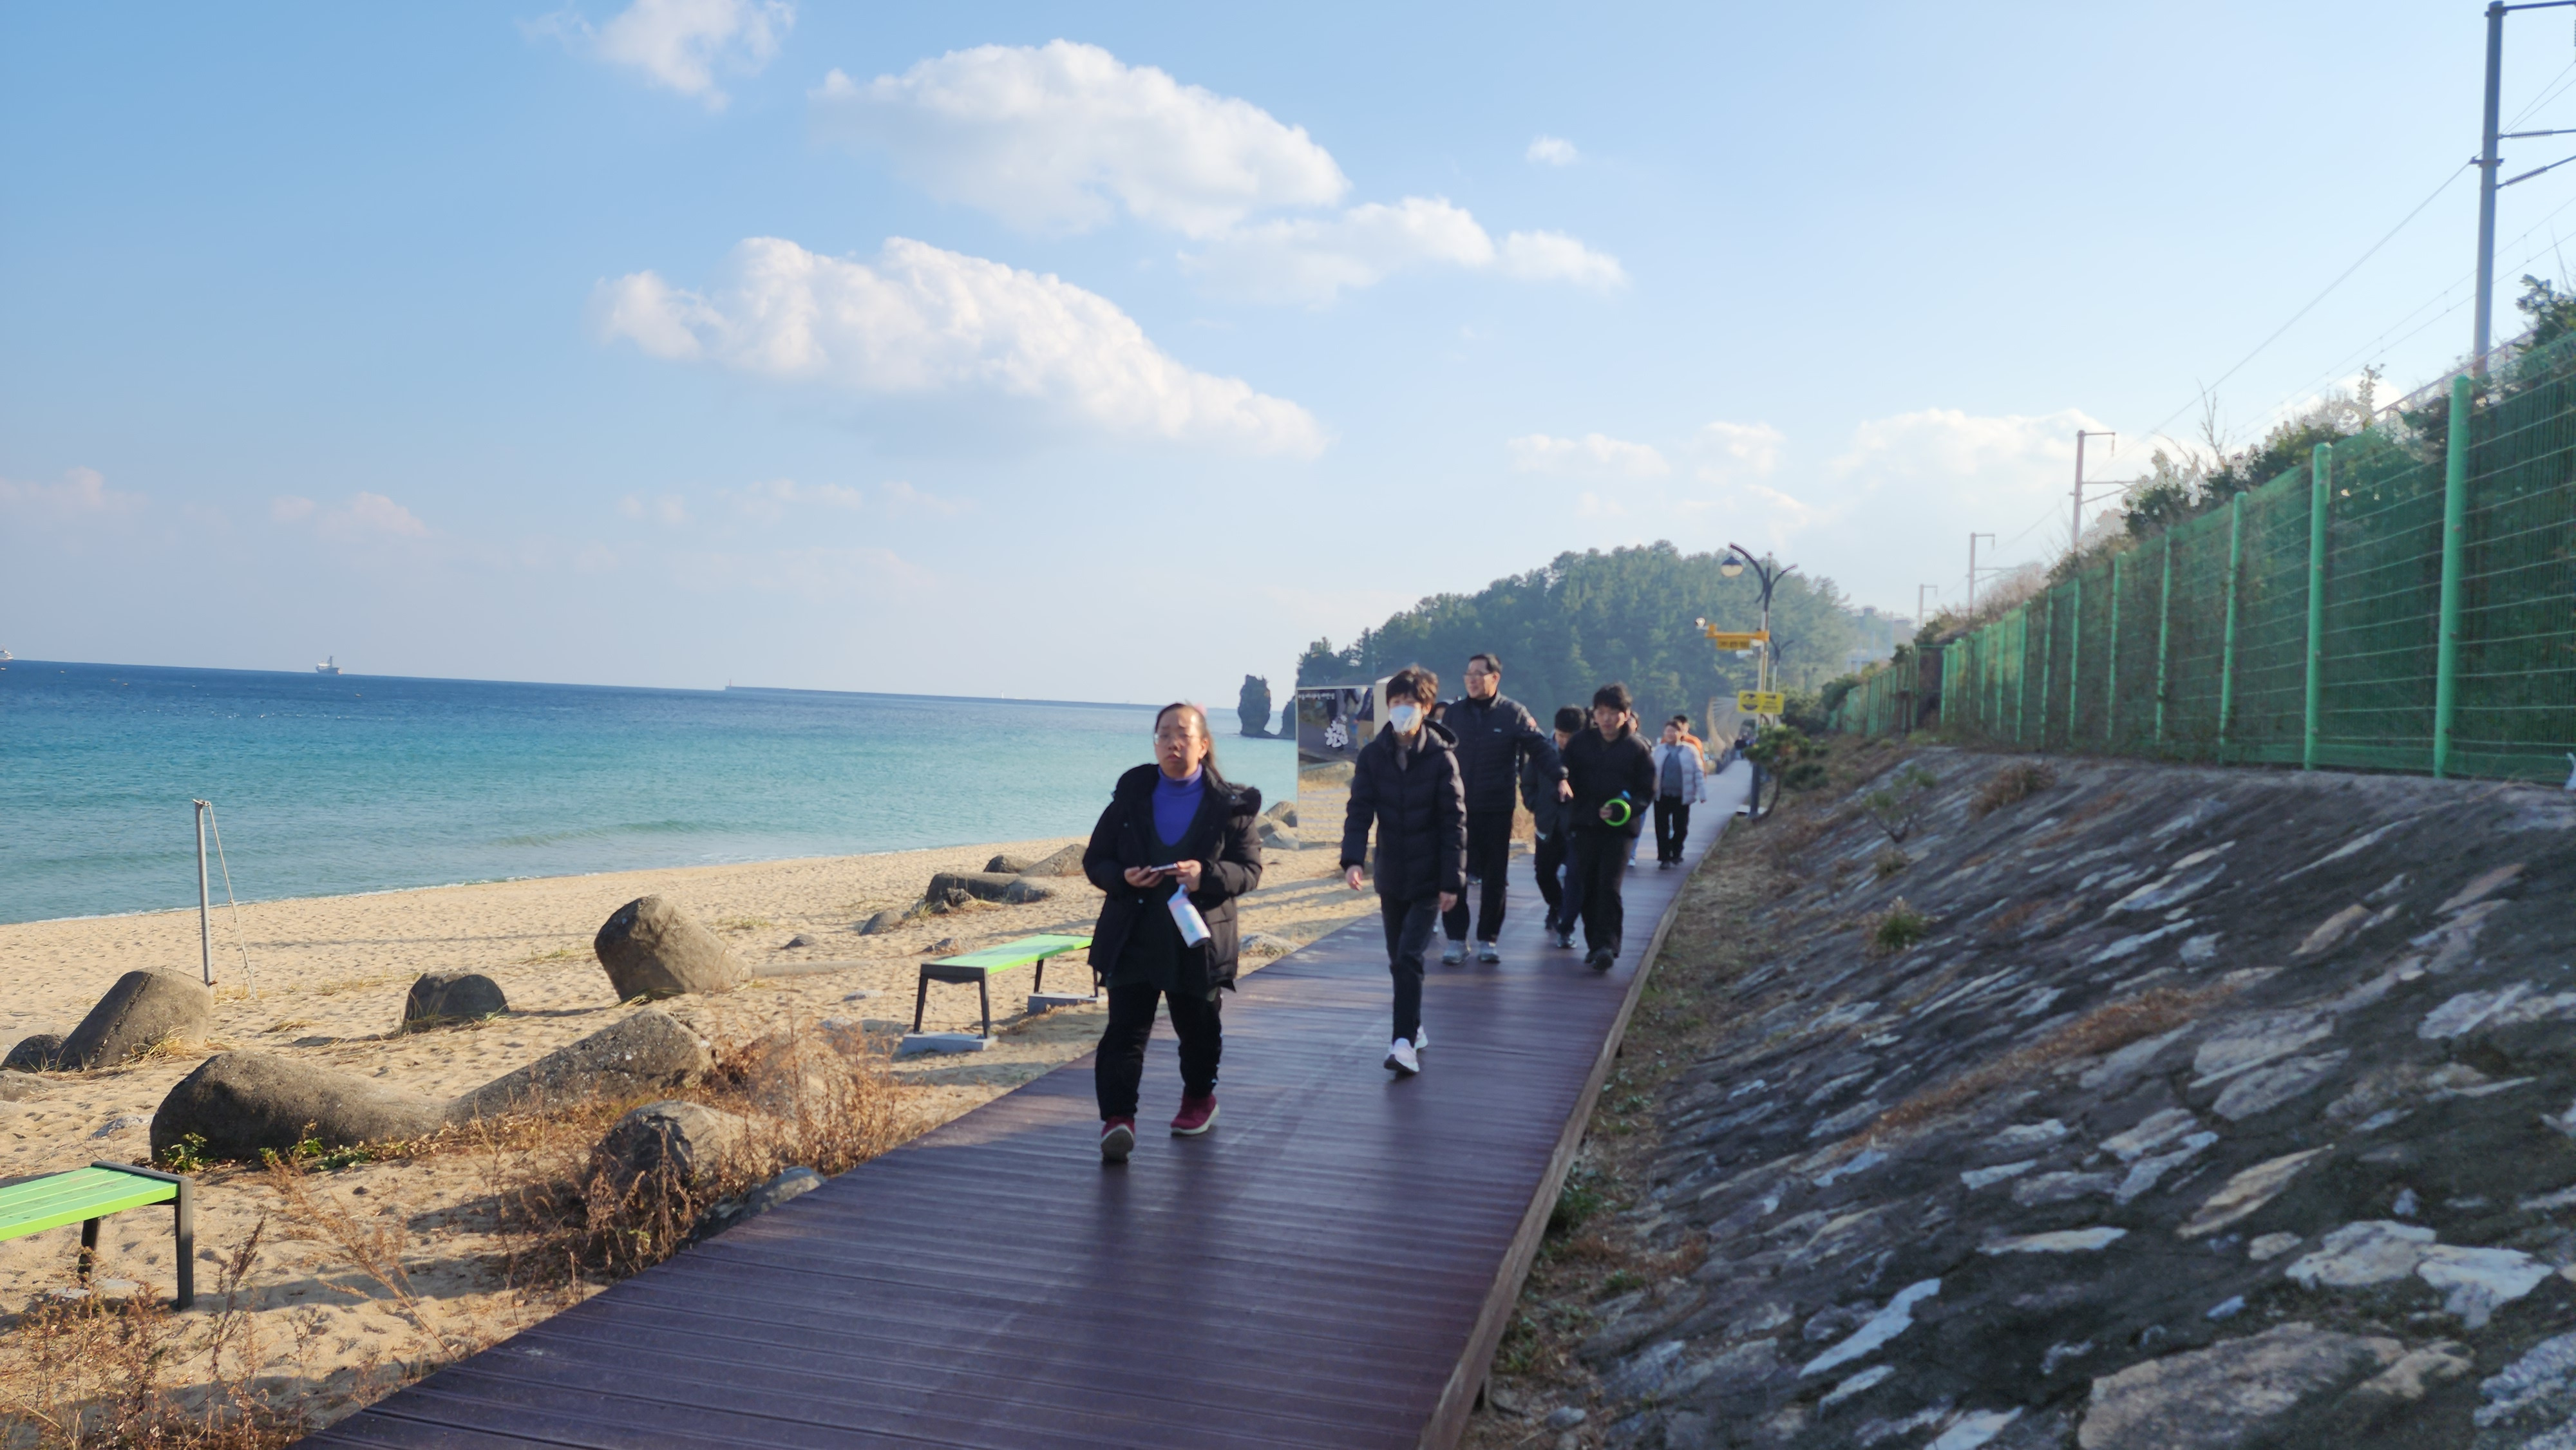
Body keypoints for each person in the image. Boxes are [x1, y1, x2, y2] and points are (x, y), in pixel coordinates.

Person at [1082, 702, 1265, 1163]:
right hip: (1133, 932)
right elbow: (1096, 860)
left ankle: (1199, 1099)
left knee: (1198, 1030)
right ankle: (1118, 1120)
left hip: (1196, 938)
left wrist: (1207, 876)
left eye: (1183, 734)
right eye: (1163, 734)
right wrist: (1122, 877)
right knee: (1125, 1032)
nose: (1172, 743)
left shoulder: (1231, 807)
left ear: (1203, 745)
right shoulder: (1130, 799)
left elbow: (1249, 871)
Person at [1339, 664, 1464, 1078]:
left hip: (1429, 876)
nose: (1402, 709)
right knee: (1398, 959)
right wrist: (1353, 860)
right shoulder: (1373, 756)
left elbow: (1454, 823)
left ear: (1426, 708)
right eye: (1395, 702)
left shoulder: (1442, 759)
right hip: (1391, 872)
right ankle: (1414, 1025)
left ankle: (1402, 1043)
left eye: (1410, 703)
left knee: (1410, 955)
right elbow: (1359, 811)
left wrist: (1452, 881)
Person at [1439, 653, 1567, 963]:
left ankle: (1488, 939)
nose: (1471, 679)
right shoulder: (1454, 714)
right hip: (1457, 808)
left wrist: (1560, 777)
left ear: (1494, 678)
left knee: (1495, 876)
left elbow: (1540, 749)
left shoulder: (1513, 713)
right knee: (1455, 872)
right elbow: (1435, 753)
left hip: (1496, 807)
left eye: (1478, 674)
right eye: (1468, 673)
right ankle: (1456, 939)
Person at [1562, 683, 1656, 972]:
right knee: (1588, 886)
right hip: (1585, 826)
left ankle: (1608, 945)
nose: (1606, 719)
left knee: (1610, 886)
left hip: (1619, 830)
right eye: (1601, 712)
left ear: (1625, 715)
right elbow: (1564, 776)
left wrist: (1622, 809)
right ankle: (1594, 944)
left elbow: (1646, 792)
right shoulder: (1580, 743)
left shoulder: (1637, 749)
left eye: (1613, 713)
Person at [1528, 705, 1586, 947]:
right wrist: (1536, 805)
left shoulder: (1588, 754)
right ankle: (1557, 905)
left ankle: (1566, 923)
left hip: (1577, 826)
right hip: (1547, 823)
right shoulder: (1543, 751)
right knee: (1543, 873)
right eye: (1561, 735)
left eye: (1569, 737)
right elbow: (1528, 782)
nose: (1564, 741)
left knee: (1575, 877)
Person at [1650, 720, 1707, 868]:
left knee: (1681, 828)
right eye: (1668, 731)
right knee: (1661, 828)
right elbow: (1650, 772)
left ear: (1681, 733)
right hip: (1662, 796)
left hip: (1682, 796)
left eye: (1674, 731)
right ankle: (1664, 858)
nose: (1670, 734)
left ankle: (1676, 852)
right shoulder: (1659, 751)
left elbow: (1698, 772)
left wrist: (1702, 793)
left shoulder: (1690, 751)